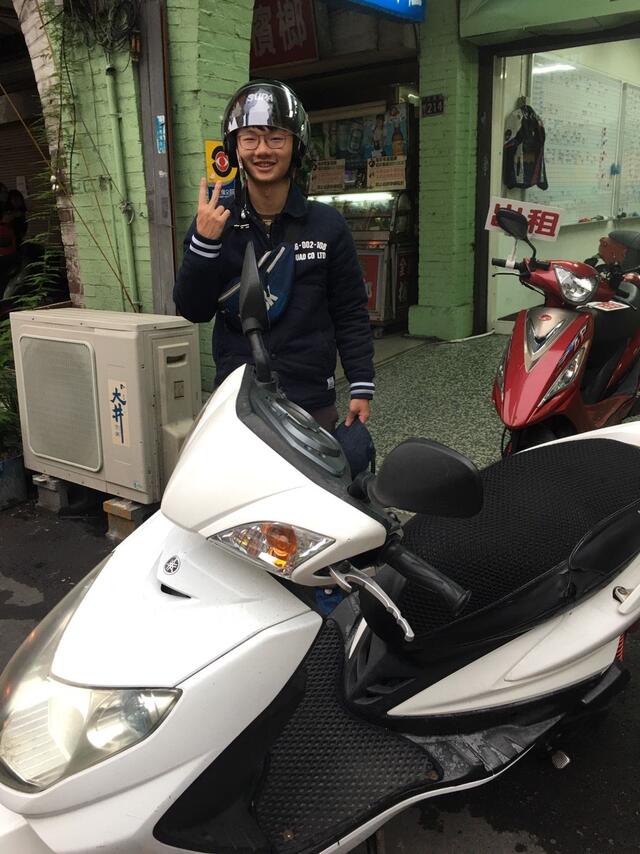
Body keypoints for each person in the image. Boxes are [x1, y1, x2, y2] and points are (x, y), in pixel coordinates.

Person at [173, 80, 375, 433]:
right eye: (249, 139)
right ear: (235, 147)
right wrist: (204, 243)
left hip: (310, 397)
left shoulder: (327, 224)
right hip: (238, 397)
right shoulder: (216, 220)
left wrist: (360, 382)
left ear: (296, 145)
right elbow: (194, 310)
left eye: (276, 138)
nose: (262, 150)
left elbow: (349, 310)